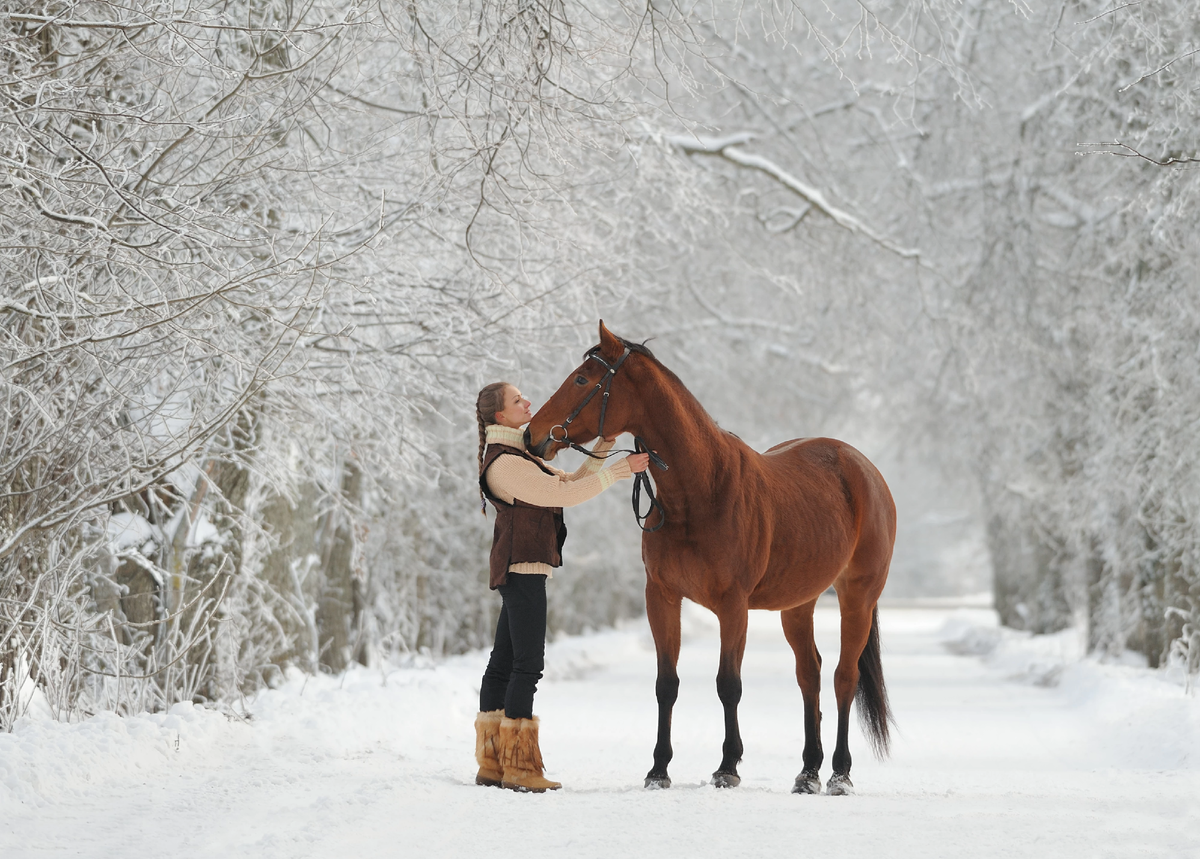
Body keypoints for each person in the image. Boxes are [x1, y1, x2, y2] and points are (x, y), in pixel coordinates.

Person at [473, 381, 649, 792]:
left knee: (504, 662)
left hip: (521, 569)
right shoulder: (505, 463)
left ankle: (493, 763)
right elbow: (562, 495)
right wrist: (621, 471)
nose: (528, 402)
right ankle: (519, 767)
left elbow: (569, 481)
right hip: (523, 569)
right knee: (526, 665)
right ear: (501, 416)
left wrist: (606, 443)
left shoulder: (517, 454)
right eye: (518, 400)